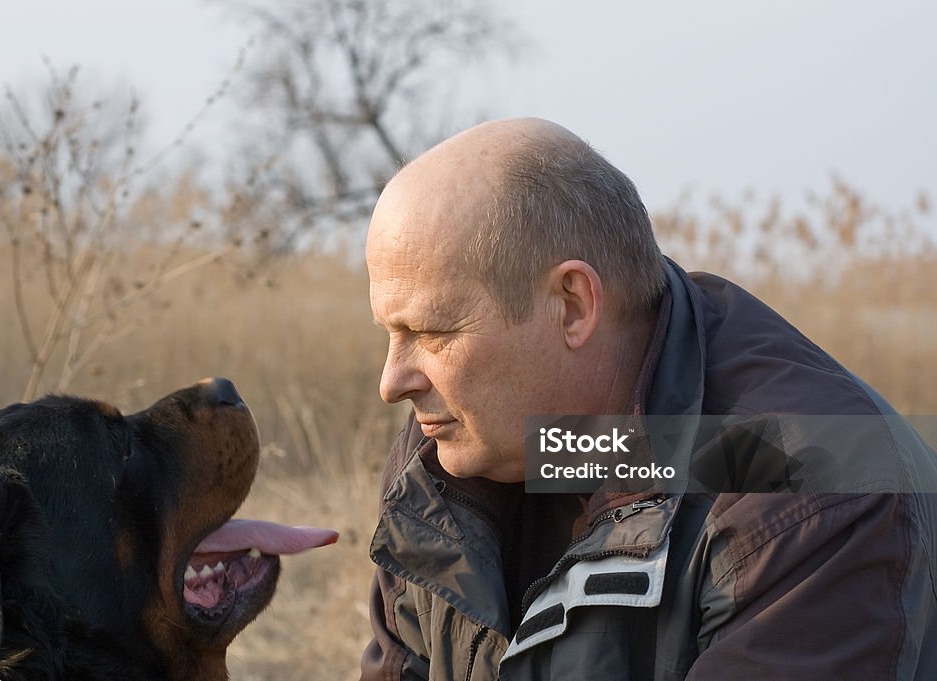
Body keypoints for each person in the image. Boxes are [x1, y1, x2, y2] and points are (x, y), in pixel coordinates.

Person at [360, 117, 937, 681]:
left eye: (432, 333)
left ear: (573, 305)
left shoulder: (813, 491)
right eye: (391, 333)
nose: (394, 382)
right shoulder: (450, 457)